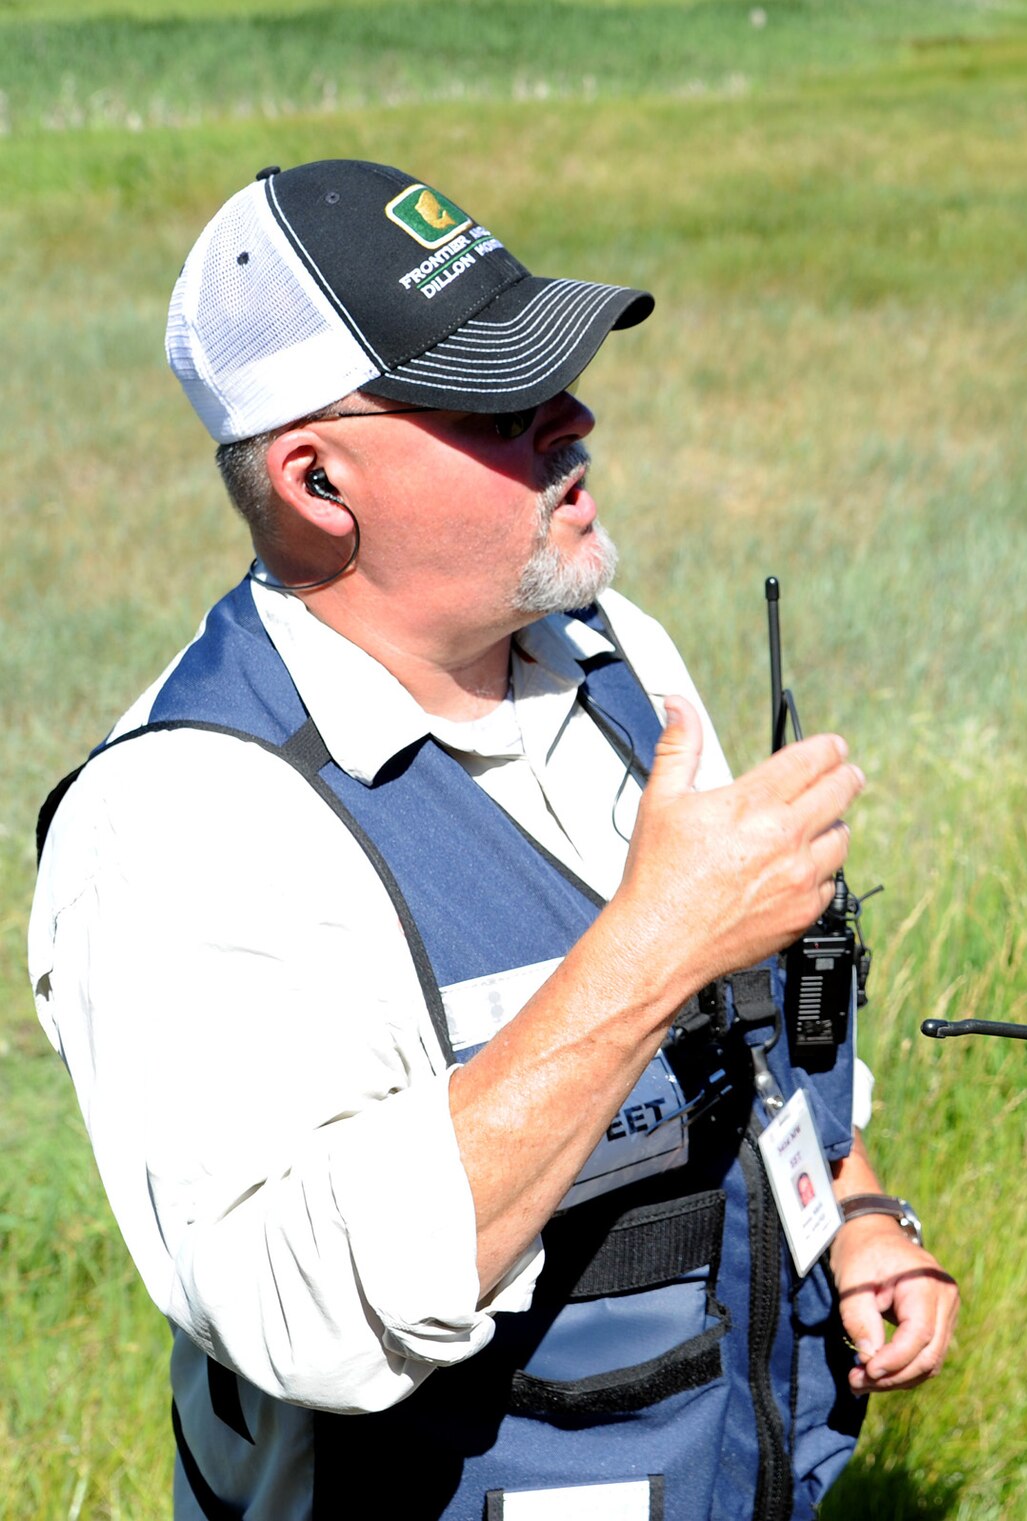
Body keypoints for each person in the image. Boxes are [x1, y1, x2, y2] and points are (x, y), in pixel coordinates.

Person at [29, 160, 957, 1521]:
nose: (574, 417)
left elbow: (744, 1042)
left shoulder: (611, 653)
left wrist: (859, 1214)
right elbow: (309, 1311)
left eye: (558, 371)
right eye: (497, 401)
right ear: (319, 478)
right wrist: (653, 945)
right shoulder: (188, 825)